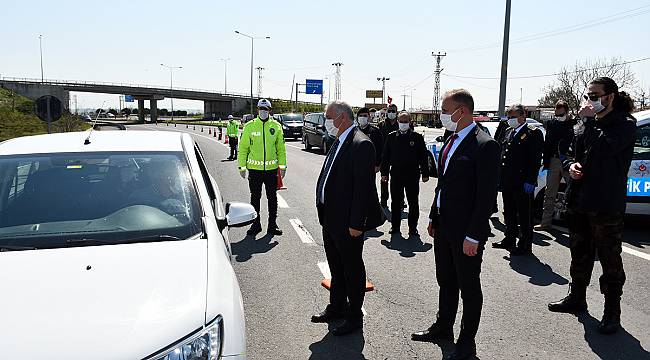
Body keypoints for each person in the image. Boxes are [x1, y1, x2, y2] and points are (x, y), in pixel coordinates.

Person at [411, 89, 499, 360]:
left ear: (462, 111)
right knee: (446, 280)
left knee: (469, 287)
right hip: (444, 227)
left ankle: (466, 341)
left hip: (466, 232)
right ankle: (443, 326)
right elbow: (444, 185)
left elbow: (486, 196)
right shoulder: (450, 139)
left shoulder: (484, 144)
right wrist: (433, 217)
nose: (442, 115)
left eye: (446, 110)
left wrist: (474, 235)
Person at [548, 77, 636, 335]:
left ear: (611, 97)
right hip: (580, 200)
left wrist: (585, 122)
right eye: (588, 96)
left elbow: (604, 148)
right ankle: (577, 297)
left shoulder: (624, 124)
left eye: (595, 96)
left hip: (606, 204)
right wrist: (571, 166)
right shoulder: (587, 124)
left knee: (609, 261)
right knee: (579, 253)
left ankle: (612, 313)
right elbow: (576, 153)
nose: (590, 101)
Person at [311, 101, 384, 336]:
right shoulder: (340, 140)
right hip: (331, 219)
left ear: (342, 118)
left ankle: (354, 317)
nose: (326, 122)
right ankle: (337, 307)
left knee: (352, 269)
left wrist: (356, 223)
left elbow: (363, 189)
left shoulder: (361, 144)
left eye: (328, 117)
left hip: (347, 223)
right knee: (336, 267)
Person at [492, 104, 543, 256]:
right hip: (508, 180)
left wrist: (531, 180)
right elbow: (504, 155)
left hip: (523, 181)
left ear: (523, 116)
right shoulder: (509, 132)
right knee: (509, 211)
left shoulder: (533, 133)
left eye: (513, 117)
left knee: (524, 214)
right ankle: (509, 238)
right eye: (508, 117)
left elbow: (534, 160)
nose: (510, 120)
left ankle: (525, 244)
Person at [238, 99, 287, 236]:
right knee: (255, 198)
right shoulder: (249, 126)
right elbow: (243, 148)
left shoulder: (276, 126)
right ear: (257, 110)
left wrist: (282, 167)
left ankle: (272, 225)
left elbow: (281, 149)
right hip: (254, 170)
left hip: (271, 171)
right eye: (261, 108)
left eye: (266, 109)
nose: (263, 111)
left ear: (270, 110)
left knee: (272, 198)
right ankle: (255, 225)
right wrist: (241, 167)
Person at [380, 111, 429, 237]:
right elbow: (385, 156)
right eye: (401, 121)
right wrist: (384, 173)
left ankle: (413, 228)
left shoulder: (417, 137)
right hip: (396, 173)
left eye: (405, 121)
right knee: (395, 202)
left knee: (413, 202)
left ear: (410, 122)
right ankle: (395, 227)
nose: (403, 124)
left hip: (412, 174)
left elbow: (423, 156)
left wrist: (425, 173)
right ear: (397, 122)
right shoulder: (391, 137)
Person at [534, 101, 575, 231]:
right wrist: (545, 162)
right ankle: (546, 222)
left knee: (574, 192)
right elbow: (548, 143)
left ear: (567, 112)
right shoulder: (552, 124)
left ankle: (576, 224)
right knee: (549, 192)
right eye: (556, 114)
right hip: (553, 160)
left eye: (561, 114)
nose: (558, 117)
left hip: (569, 160)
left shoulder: (574, 125)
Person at [378, 104, 399, 208]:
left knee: (398, 180)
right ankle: (383, 200)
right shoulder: (381, 125)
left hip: (398, 157)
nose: (391, 113)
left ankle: (399, 200)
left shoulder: (400, 125)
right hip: (384, 157)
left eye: (393, 111)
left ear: (397, 112)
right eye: (389, 111)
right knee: (384, 179)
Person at [356, 107, 383, 172]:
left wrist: (377, 164)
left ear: (369, 117)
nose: (362, 117)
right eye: (360, 116)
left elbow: (379, 149)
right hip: (356, 163)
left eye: (365, 116)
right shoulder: (354, 131)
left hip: (370, 164)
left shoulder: (375, 131)